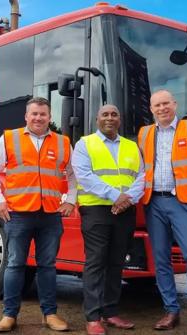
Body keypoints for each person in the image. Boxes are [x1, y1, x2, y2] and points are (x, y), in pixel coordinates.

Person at [0, 97, 77, 333]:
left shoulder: (63, 142)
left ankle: (50, 314)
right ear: (26, 116)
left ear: (49, 117)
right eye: (34, 114)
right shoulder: (9, 138)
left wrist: (71, 201)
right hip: (18, 213)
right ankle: (9, 315)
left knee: (47, 265)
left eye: (43, 114)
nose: (38, 118)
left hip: (50, 214)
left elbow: (74, 175)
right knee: (15, 264)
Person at [137, 90, 187, 334]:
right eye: (157, 105)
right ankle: (171, 311)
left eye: (166, 103)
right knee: (161, 259)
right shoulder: (145, 133)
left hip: (183, 203)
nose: (162, 108)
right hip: (154, 203)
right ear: (151, 109)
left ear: (174, 105)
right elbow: (140, 167)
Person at [71, 105, 145, 335]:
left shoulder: (132, 146)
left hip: (125, 211)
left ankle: (110, 312)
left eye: (114, 114)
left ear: (120, 119)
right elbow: (84, 176)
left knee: (116, 262)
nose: (110, 118)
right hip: (96, 211)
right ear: (97, 119)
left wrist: (129, 198)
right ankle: (93, 317)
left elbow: (142, 176)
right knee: (96, 262)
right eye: (105, 114)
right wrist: (116, 196)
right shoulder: (85, 144)